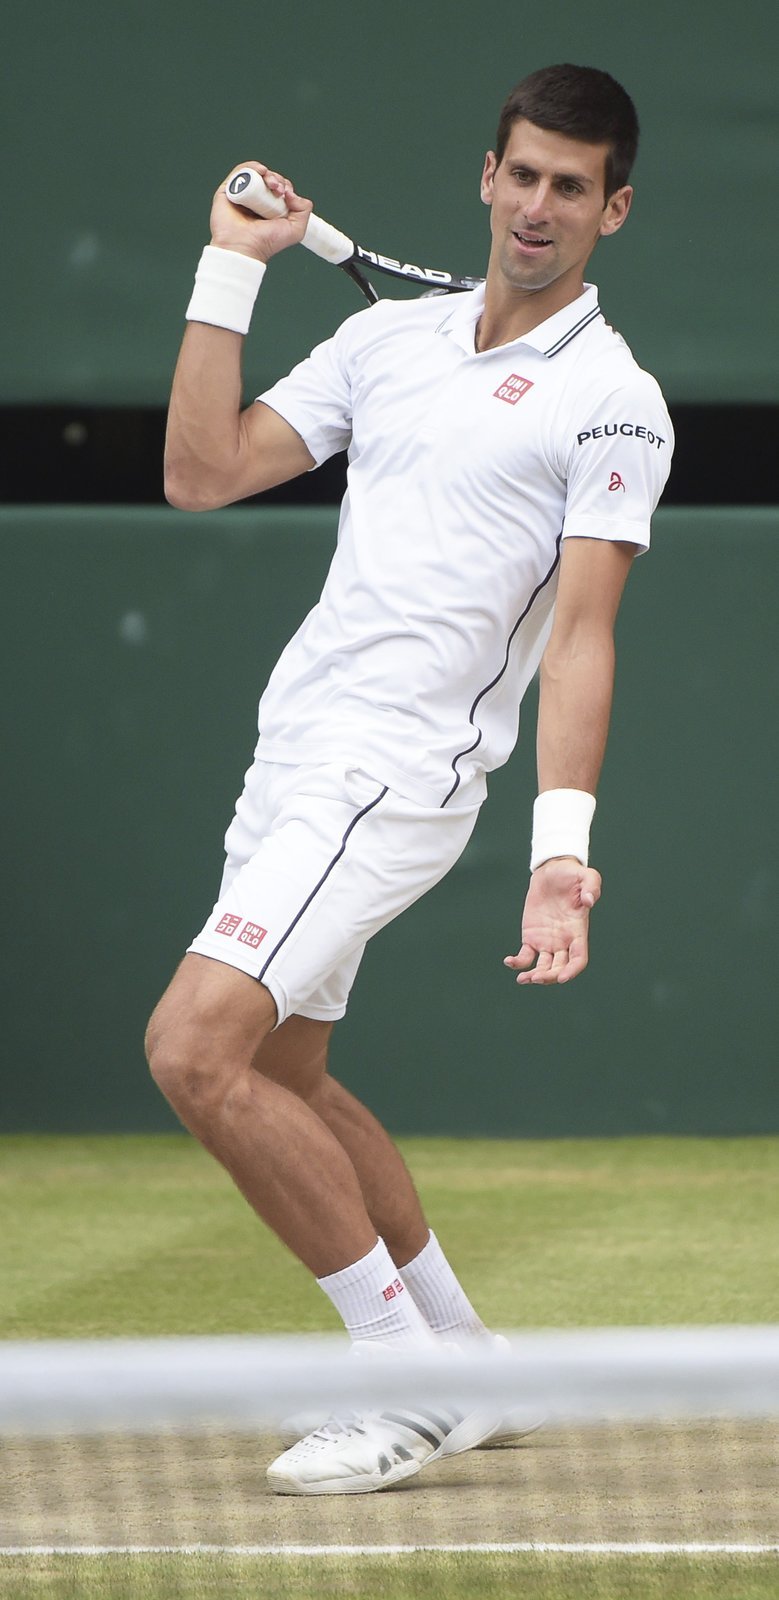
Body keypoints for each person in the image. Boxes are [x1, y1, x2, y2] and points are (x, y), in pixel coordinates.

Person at [147, 62, 673, 1495]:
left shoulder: (616, 406)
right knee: (283, 1069)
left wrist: (560, 850)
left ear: (612, 211)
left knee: (193, 1050)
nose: (541, 205)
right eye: (524, 174)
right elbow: (203, 470)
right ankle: (467, 1360)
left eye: (575, 186)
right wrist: (228, 267)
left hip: (394, 777)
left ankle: (400, 1381)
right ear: (487, 180)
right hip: (296, 753)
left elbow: (580, 639)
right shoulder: (393, 344)